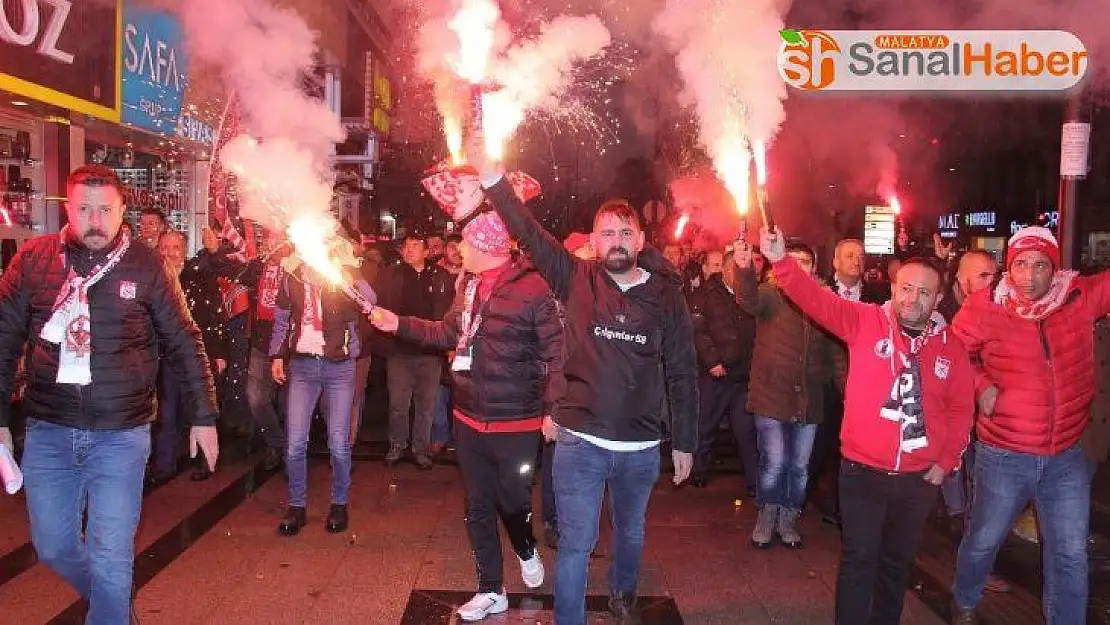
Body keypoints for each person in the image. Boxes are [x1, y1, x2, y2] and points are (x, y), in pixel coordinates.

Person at [472, 149, 698, 625]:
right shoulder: (574, 278)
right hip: (581, 442)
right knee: (576, 543)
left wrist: (686, 441)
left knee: (631, 531)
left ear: (639, 239)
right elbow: (529, 232)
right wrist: (494, 180)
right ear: (593, 241)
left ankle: (622, 592)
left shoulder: (666, 295)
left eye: (624, 232)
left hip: (640, 446)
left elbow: (681, 369)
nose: (616, 241)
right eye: (607, 233)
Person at [0, 165, 219, 624]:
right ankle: (113, 604)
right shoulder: (34, 260)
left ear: (123, 212)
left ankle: (111, 606)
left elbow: (184, 339)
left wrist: (204, 415)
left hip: (121, 434)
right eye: (83, 208)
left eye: (105, 209)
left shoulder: (147, 264)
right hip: (49, 430)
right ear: (67, 208)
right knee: (54, 546)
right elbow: (3, 341)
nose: (94, 219)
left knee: (110, 556)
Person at [753, 226, 974, 625]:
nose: (913, 299)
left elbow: (961, 408)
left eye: (924, 292)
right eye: (906, 288)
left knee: (897, 564)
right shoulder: (865, 322)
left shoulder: (950, 346)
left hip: (917, 480)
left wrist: (945, 462)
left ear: (938, 298)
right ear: (893, 288)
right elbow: (815, 300)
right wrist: (782, 262)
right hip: (862, 473)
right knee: (859, 560)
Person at [370, 182, 564, 621]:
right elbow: (447, 333)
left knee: (512, 501)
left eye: (467, 244)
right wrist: (396, 322)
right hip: (469, 417)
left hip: (516, 422)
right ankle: (491, 588)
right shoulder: (469, 288)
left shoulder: (534, 290)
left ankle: (526, 546)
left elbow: (557, 353)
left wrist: (554, 411)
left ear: (488, 247)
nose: (458, 250)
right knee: (476, 504)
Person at [950, 227, 1110, 625]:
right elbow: (953, 355)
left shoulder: (1078, 296)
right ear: (1010, 266)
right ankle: (964, 598)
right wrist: (981, 385)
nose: (1029, 276)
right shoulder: (984, 306)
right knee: (984, 537)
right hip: (1004, 453)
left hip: (1066, 455)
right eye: (1021, 264)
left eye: (1040, 265)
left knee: (1070, 551)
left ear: (1054, 270)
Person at [269, 249, 375, 536]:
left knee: (339, 442)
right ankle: (297, 506)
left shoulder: (342, 274)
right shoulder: (292, 276)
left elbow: (370, 302)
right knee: (294, 443)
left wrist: (344, 273)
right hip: (303, 366)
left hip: (339, 367)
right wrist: (277, 356)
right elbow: (281, 318)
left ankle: (339, 504)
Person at [735, 240, 834, 548]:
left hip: (808, 399)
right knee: (775, 460)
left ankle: (789, 516)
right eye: (793, 260)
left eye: (805, 261)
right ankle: (767, 513)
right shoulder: (771, 295)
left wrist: (836, 382)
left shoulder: (824, 301)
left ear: (814, 268)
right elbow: (748, 299)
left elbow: (836, 354)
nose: (799, 266)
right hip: (771, 395)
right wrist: (743, 268)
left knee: (799, 465)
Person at [374, 234, 455, 468]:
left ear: (427, 252)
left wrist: (447, 346)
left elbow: (448, 314)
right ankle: (397, 445)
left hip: (429, 353)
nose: (409, 250)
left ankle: (421, 450)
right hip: (399, 352)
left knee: (426, 406)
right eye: (406, 246)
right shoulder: (391, 275)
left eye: (415, 245)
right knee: (398, 404)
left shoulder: (440, 277)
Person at [688, 250, 758, 494]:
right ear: (726, 271)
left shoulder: (751, 295)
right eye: (737, 271)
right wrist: (712, 361)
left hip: (742, 375)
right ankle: (698, 472)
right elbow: (697, 331)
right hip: (714, 374)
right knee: (705, 425)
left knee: (746, 430)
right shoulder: (705, 294)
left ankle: (754, 482)